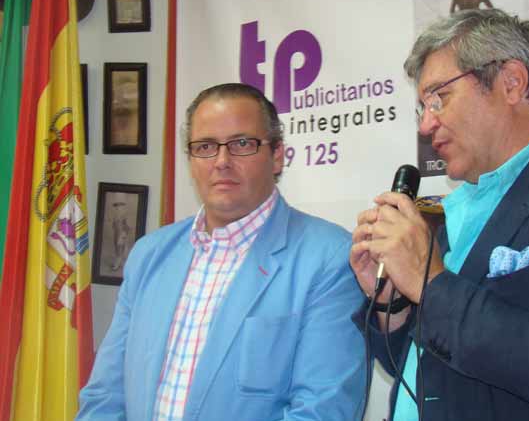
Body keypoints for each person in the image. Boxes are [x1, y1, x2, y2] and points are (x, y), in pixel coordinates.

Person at [351, 9, 529, 421]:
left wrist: (430, 283)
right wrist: (390, 305)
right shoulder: (452, 209)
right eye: (422, 108)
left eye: (439, 98)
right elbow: (430, 365)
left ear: (511, 82)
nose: (426, 125)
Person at [78, 83, 366, 420]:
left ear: (277, 156)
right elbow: (105, 397)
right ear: (190, 158)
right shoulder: (149, 255)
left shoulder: (329, 258)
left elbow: (323, 411)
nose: (221, 161)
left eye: (242, 144)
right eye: (205, 146)